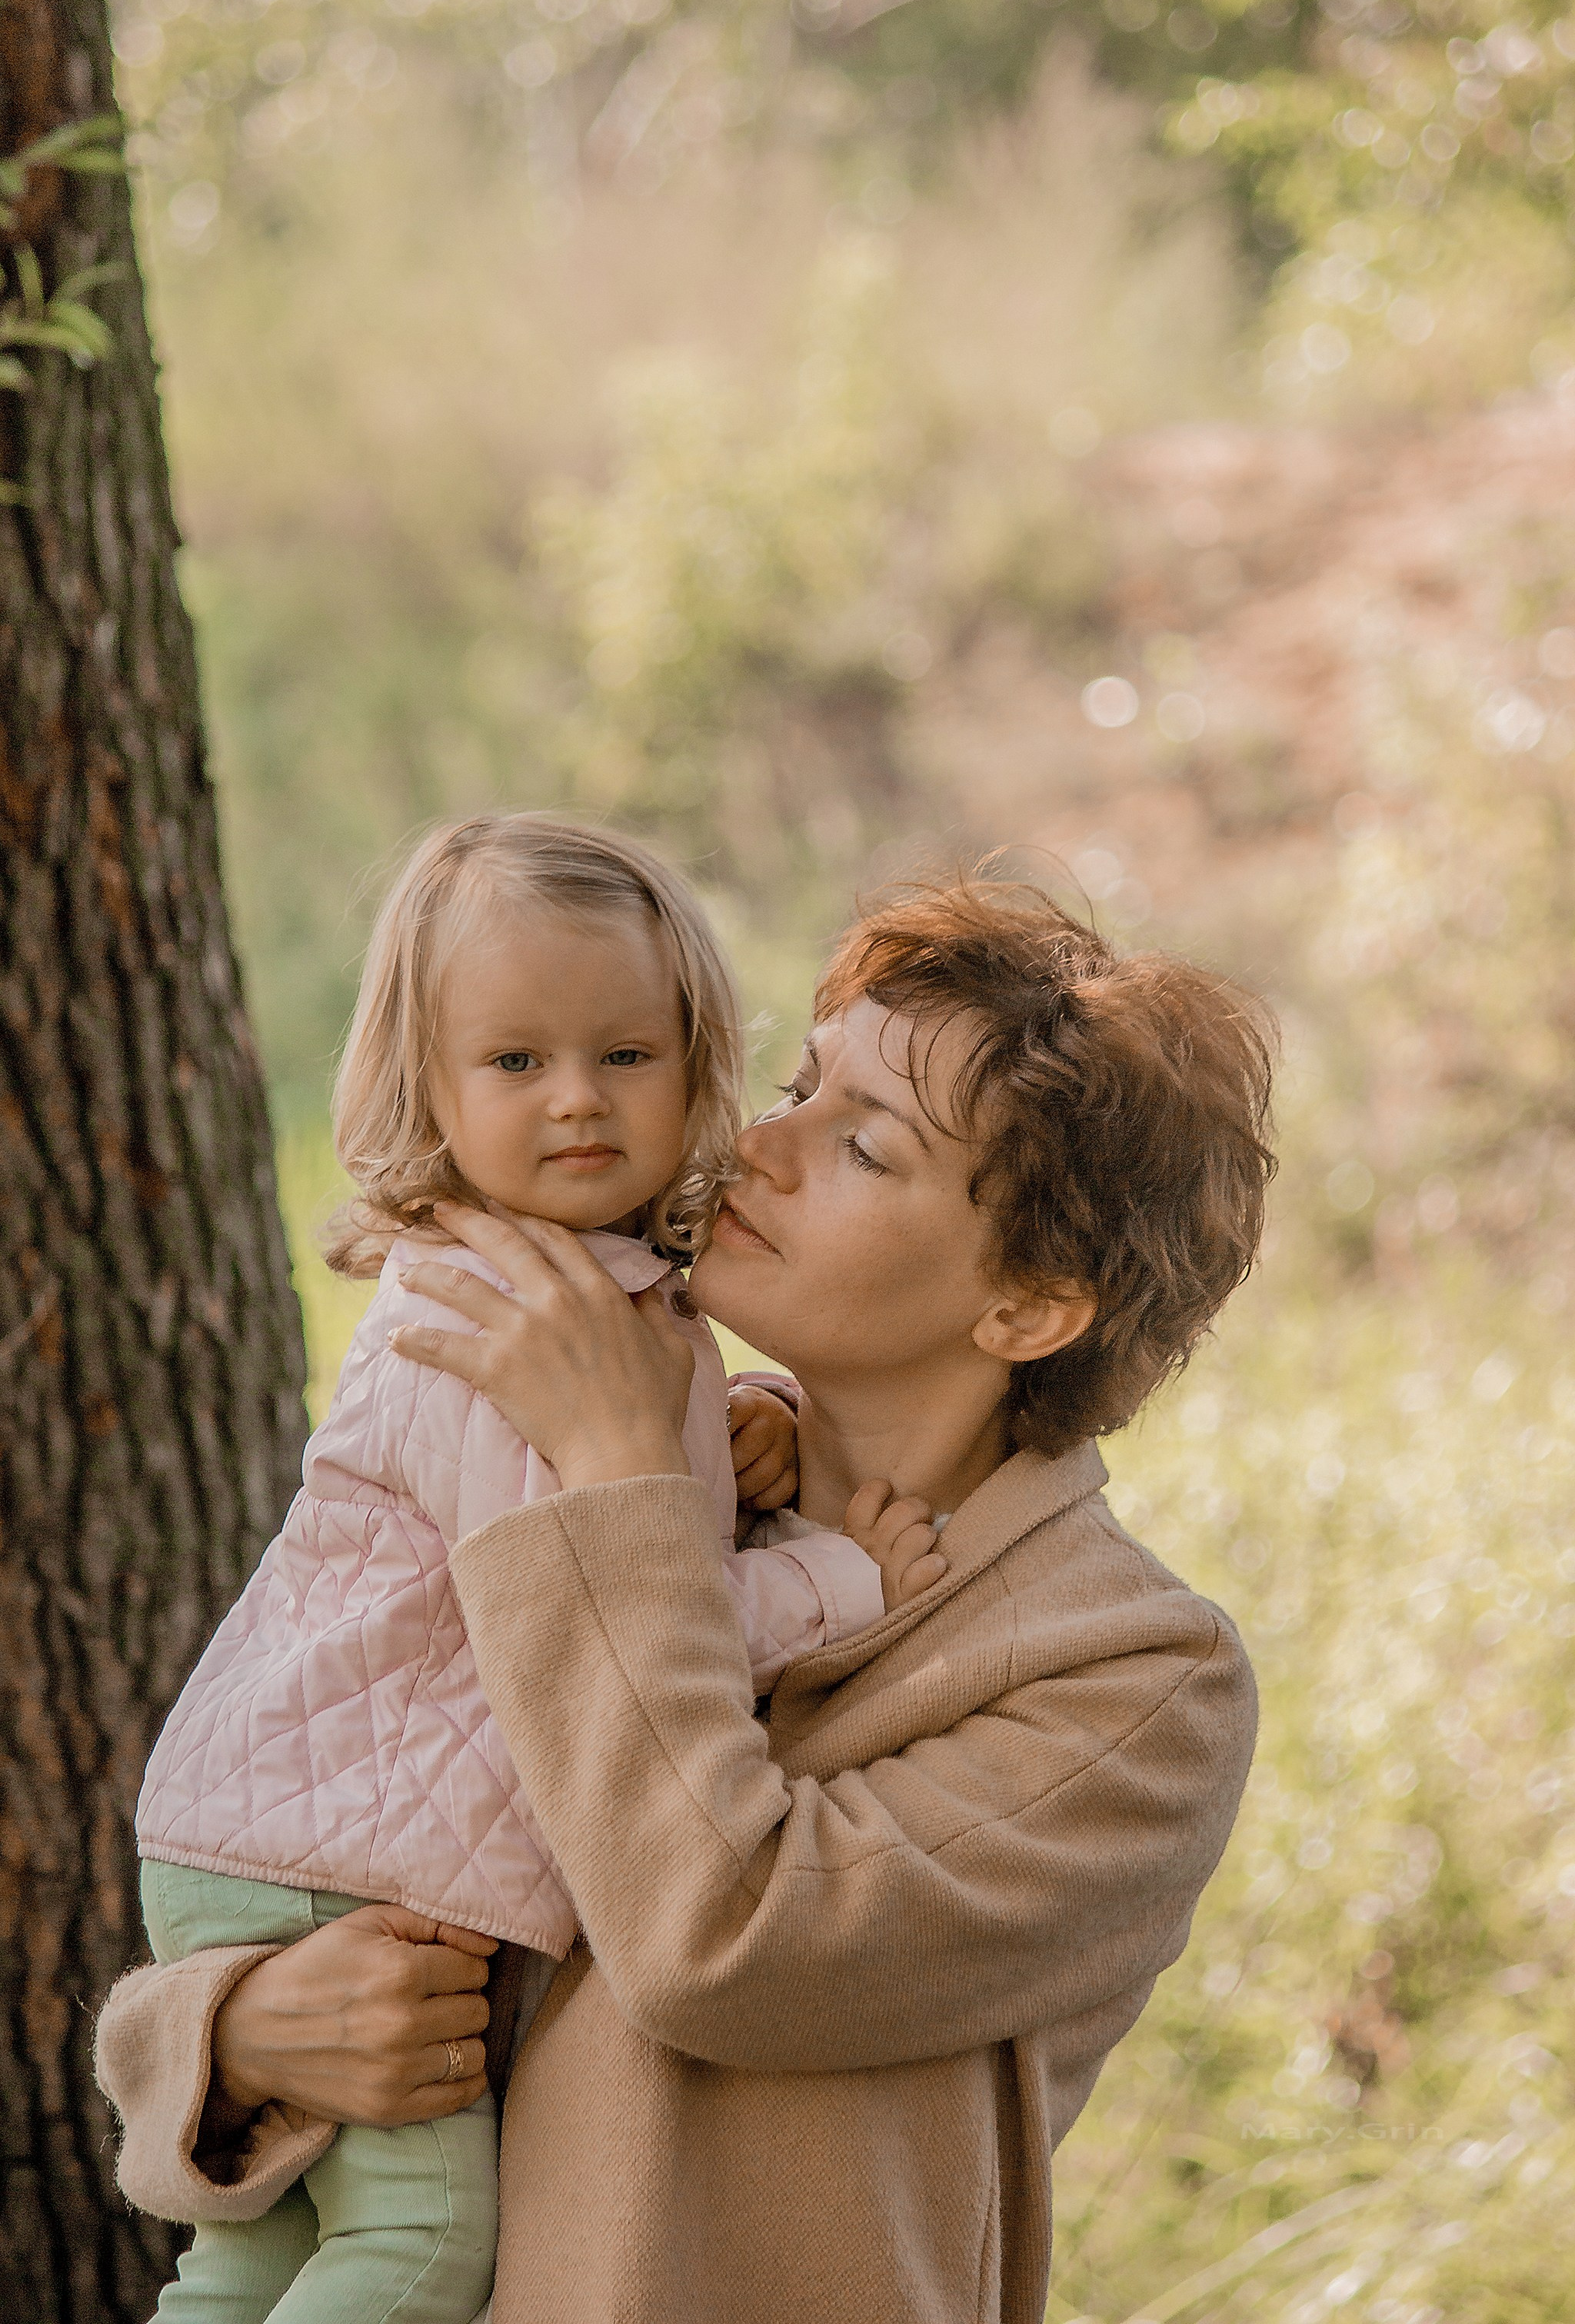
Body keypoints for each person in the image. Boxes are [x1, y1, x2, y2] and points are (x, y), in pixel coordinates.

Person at [98, 871, 1272, 2324]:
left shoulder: (1131, 1683)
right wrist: (236, 2038)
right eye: (795, 1085)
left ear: (1027, 1304)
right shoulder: (674, 1474)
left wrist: (616, 1481)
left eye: (863, 1145)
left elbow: (724, 1939)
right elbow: (364, 1817)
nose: (758, 1147)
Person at [123, 814, 943, 2324]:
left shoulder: (592, 1285)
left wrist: (736, 1434)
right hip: (340, 1858)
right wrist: (840, 1582)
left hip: (280, 1817)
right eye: (514, 1065)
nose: (577, 1100)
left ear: (697, 1055)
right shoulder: (501, 1317)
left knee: (252, 2257)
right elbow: (584, 1602)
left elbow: (634, 1501)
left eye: (625, 1056)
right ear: (427, 1087)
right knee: (418, 2245)